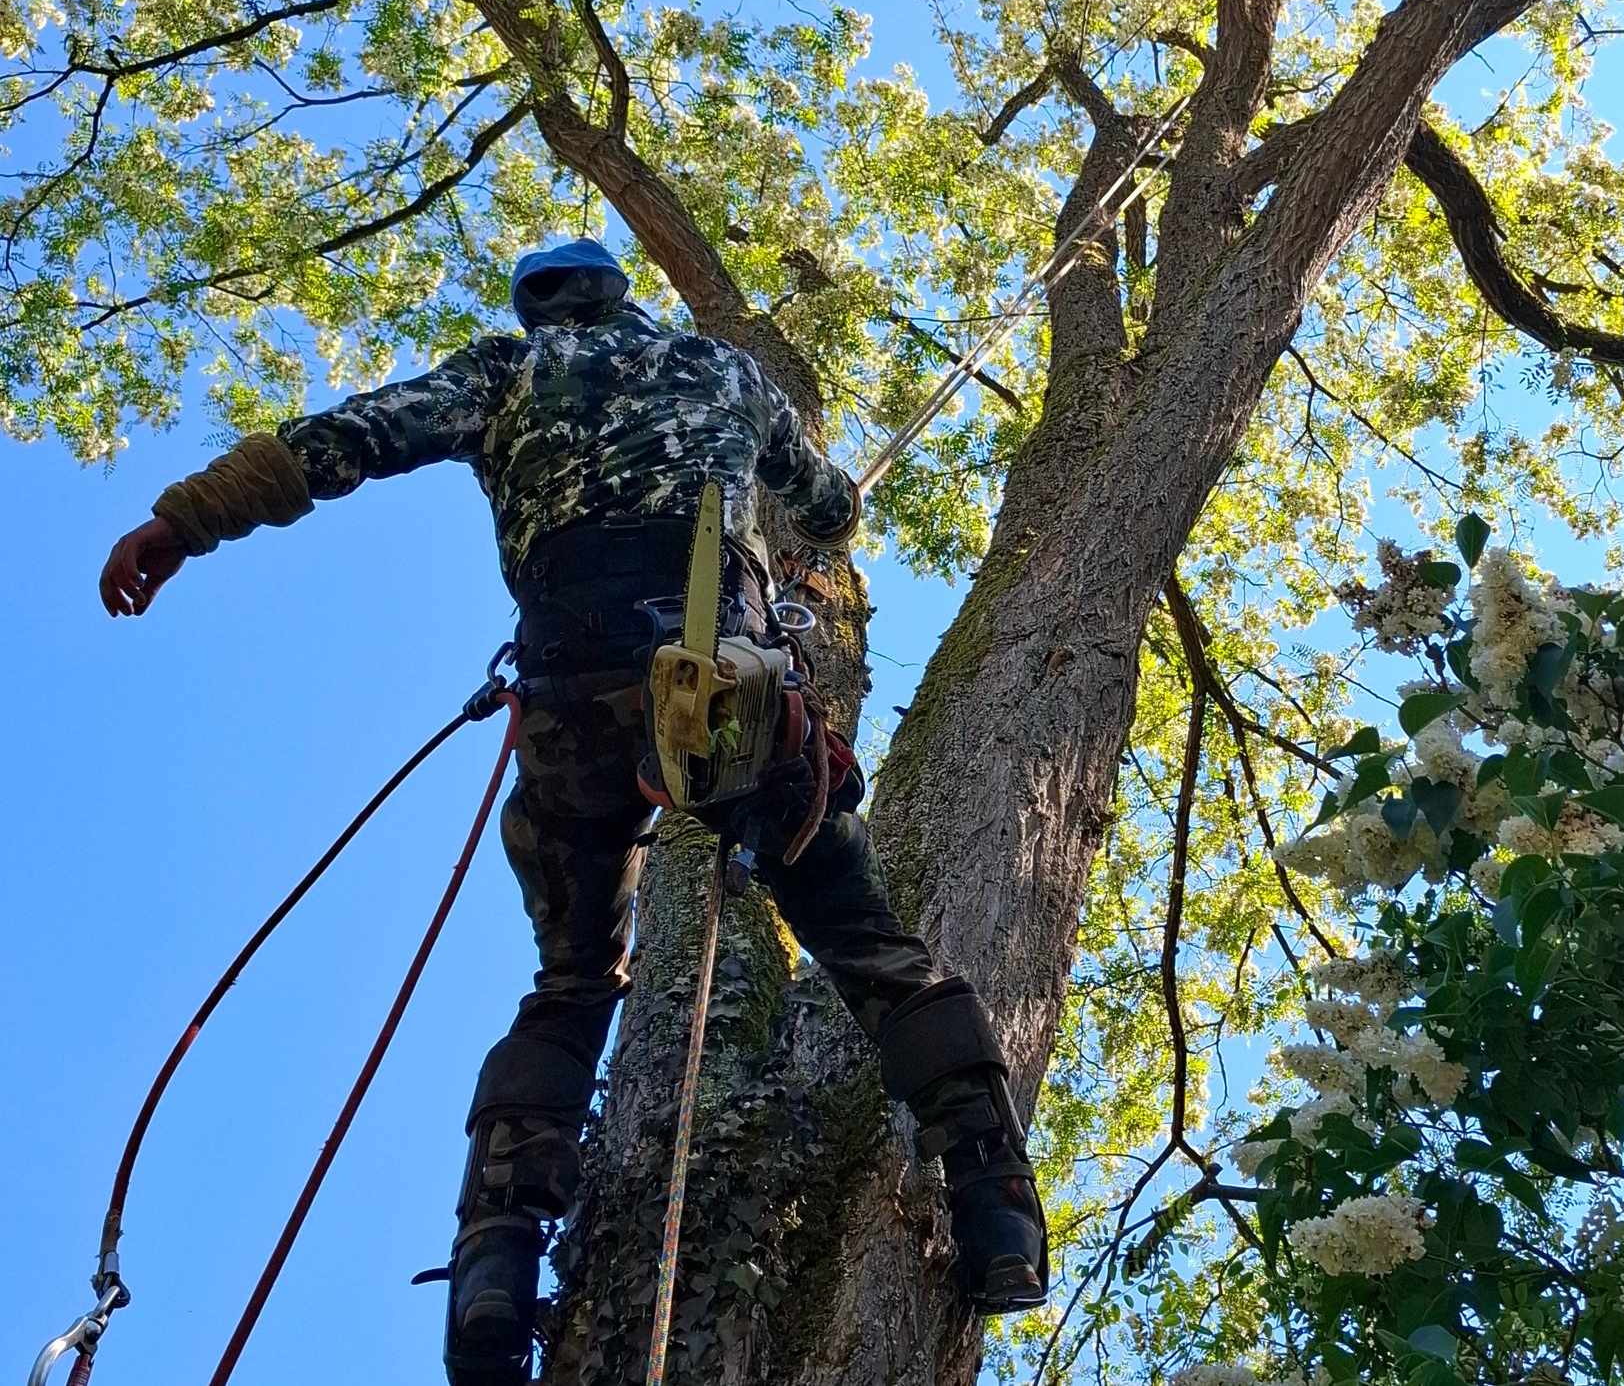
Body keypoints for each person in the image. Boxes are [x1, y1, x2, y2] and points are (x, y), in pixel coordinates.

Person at [99, 238, 1048, 1384]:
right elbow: (832, 508)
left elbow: (349, 438)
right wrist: (808, 524)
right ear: (620, 298)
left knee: (570, 985)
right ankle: (992, 1195)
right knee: (869, 945)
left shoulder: (507, 373)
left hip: (567, 695)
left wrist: (183, 521)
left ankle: (497, 1254)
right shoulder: (723, 370)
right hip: (718, 667)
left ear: (541, 312)